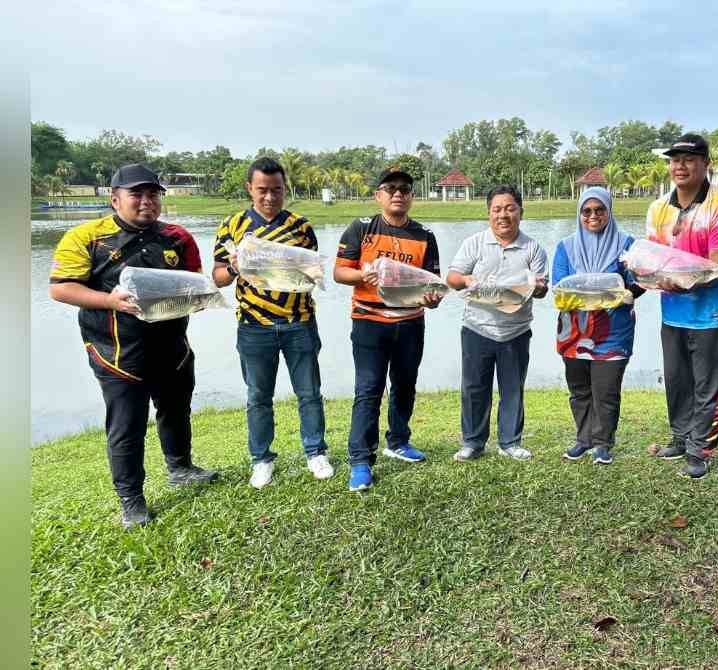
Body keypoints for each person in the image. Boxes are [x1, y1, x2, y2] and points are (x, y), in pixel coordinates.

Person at [49, 164, 218, 529]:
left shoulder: (178, 237)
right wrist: (111, 301)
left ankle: (181, 467)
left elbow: (194, 284)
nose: (146, 202)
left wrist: (203, 297)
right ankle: (131, 500)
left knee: (175, 410)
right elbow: (61, 288)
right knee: (127, 426)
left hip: (173, 347)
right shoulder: (86, 237)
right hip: (117, 354)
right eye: (136, 195)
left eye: (153, 195)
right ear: (115, 199)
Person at [212, 157, 332, 489]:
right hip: (253, 326)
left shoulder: (301, 226)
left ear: (285, 189)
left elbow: (312, 271)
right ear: (250, 188)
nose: (269, 197)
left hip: (300, 323)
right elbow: (218, 277)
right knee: (258, 396)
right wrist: (235, 268)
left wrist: (311, 273)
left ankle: (315, 452)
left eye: (276, 190)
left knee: (309, 392)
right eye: (262, 190)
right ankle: (261, 459)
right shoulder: (232, 225)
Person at [334, 167, 443, 492]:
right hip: (369, 322)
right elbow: (340, 272)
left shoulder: (425, 235)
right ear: (378, 195)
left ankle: (398, 441)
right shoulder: (361, 228)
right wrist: (362, 276)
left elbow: (432, 285)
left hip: (410, 323)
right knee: (368, 390)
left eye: (405, 189)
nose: (398, 193)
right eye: (391, 188)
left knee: (405, 386)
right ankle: (360, 460)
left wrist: (433, 299)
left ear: (411, 196)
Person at [645, 133, 718, 479]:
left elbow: (717, 267)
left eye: (689, 159)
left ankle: (700, 448)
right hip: (672, 312)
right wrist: (647, 274)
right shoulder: (658, 208)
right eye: (675, 159)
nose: (680, 166)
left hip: (715, 314)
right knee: (676, 380)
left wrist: (675, 279)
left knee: (709, 385)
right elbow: (653, 256)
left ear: (706, 164)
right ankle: (680, 436)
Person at [447, 185, 548, 462]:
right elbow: (453, 278)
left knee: (512, 389)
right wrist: (466, 280)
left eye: (510, 208)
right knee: (474, 388)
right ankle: (473, 442)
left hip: (515, 331)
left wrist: (538, 287)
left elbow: (541, 290)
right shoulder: (474, 243)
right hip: (476, 328)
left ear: (521, 212)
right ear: (489, 213)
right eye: (497, 209)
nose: (503, 215)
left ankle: (510, 442)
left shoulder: (533, 248)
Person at [551, 187, 644, 465]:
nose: (593, 216)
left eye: (599, 210)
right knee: (579, 389)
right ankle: (584, 439)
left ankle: (603, 443)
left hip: (613, 331)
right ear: (579, 214)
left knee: (606, 391)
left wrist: (628, 291)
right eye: (587, 211)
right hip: (574, 331)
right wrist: (593, 293)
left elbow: (639, 281)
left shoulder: (627, 244)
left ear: (609, 211)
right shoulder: (565, 247)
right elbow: (560, 288)